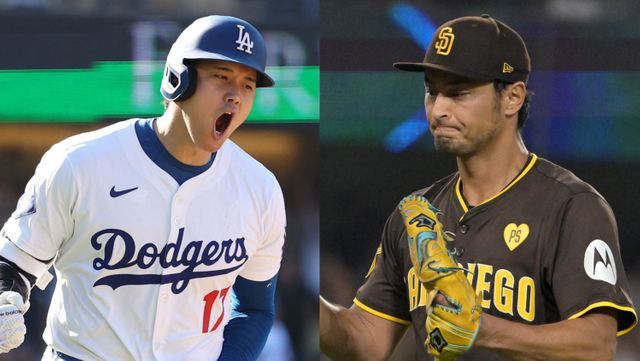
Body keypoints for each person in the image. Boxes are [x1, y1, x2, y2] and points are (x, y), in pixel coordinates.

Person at [320, 14, 637, 360]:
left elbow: (597, 345)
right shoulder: (415, 216)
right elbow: (364, 342)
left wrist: (481, 329)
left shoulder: (572, 206)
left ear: (513, 98)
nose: (438, 109)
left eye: (459, 93)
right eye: (432, 91)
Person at [0, 15, 286, 361]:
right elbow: (12, 265)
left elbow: (255, 309)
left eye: (247, 85)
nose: (235, 96)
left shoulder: (260, 188)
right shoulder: (80, 163)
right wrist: (6, 303)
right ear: (179, 78)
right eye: (221, 77)